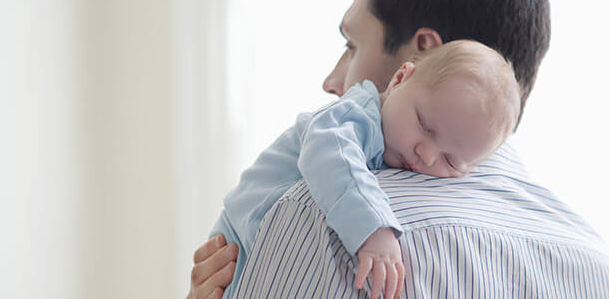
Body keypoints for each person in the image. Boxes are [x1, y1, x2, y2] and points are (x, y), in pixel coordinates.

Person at [189, 0, 609, 298]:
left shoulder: (324, 215)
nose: (331, 82)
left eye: (352, 46)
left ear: (416, 59)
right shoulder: (602, 267)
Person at [210, 40, 521, 299]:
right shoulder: (350, 116)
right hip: (237, 239)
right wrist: (373, 230)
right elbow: (330, 159)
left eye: (450, 161)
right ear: (400, 79)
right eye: (425, 126)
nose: (426, 155)